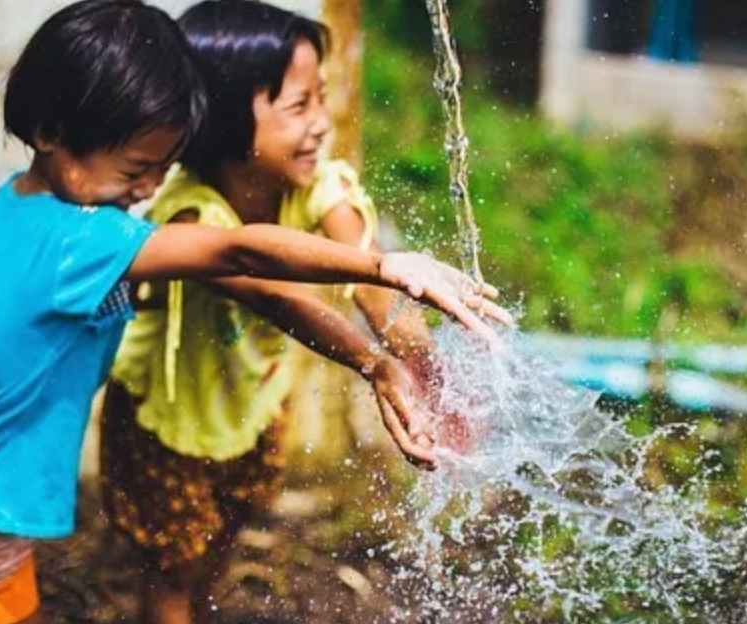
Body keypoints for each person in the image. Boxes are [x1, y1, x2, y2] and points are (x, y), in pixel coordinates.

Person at [0, 2, 505, 623]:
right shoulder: (77, 239)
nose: (146, 191)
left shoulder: (20, 206)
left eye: (162, 168)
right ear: (52, 132)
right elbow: (237, 249)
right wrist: (383, 267)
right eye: (137, 170)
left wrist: (391, 347)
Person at [98, 3, 473, 622]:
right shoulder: (190, 212)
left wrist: (422, 361)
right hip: (163, 415)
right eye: (299, 107)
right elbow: (276, 297)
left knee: (228, 530)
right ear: (223, 119)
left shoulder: (317, 184)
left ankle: (198, 607)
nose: (322, 124)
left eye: (321, 99)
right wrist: (370, 363)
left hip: (256, 400)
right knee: (172, 565)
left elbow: (371, 275)